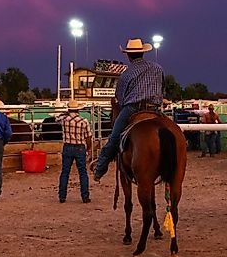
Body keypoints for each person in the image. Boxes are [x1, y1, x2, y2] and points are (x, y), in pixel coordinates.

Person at [92, 38, 164, 182]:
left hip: (132, 108)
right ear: (143, 53)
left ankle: (100, 168)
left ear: (128, 55)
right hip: (154, 108)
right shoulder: (157, 68)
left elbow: (120, 98)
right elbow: (162, 88)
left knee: (114, 137)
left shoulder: (126, 73)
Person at [57, 100, 93, 203]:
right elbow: (88, 137)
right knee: (82, 173)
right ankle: (85, 196)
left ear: (68, 109)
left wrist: (66, 113)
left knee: (65, 172)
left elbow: (56, 118)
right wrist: (88, 148)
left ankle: (62, 196)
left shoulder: (64, 119)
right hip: (80, 147)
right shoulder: (83, 121)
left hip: (67, 147)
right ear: (78, 109)